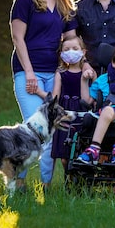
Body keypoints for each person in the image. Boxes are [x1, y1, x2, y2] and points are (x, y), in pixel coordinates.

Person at [9, 0, 77, 191]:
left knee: (52, 133)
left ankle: (46, 185)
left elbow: (71, 39)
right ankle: (19, 182)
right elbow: (18, 39)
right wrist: (28, 73)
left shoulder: (64, 3)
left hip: (54, 73)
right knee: (32, 129)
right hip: (29, 71)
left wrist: (79, 63)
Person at [34, 35, 95, 171]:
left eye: (75, 48)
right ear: (61, 54)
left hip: (82, 112)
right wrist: (39, 92)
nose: (71, 52)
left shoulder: (89, 72)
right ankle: (69, 179)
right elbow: (55, 96)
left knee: (81, 149)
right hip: (65, 113)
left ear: (83, 51)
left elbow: (94, 95)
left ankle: (82, 181)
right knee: (64, 155)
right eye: (66, 49)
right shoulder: (60, 73)